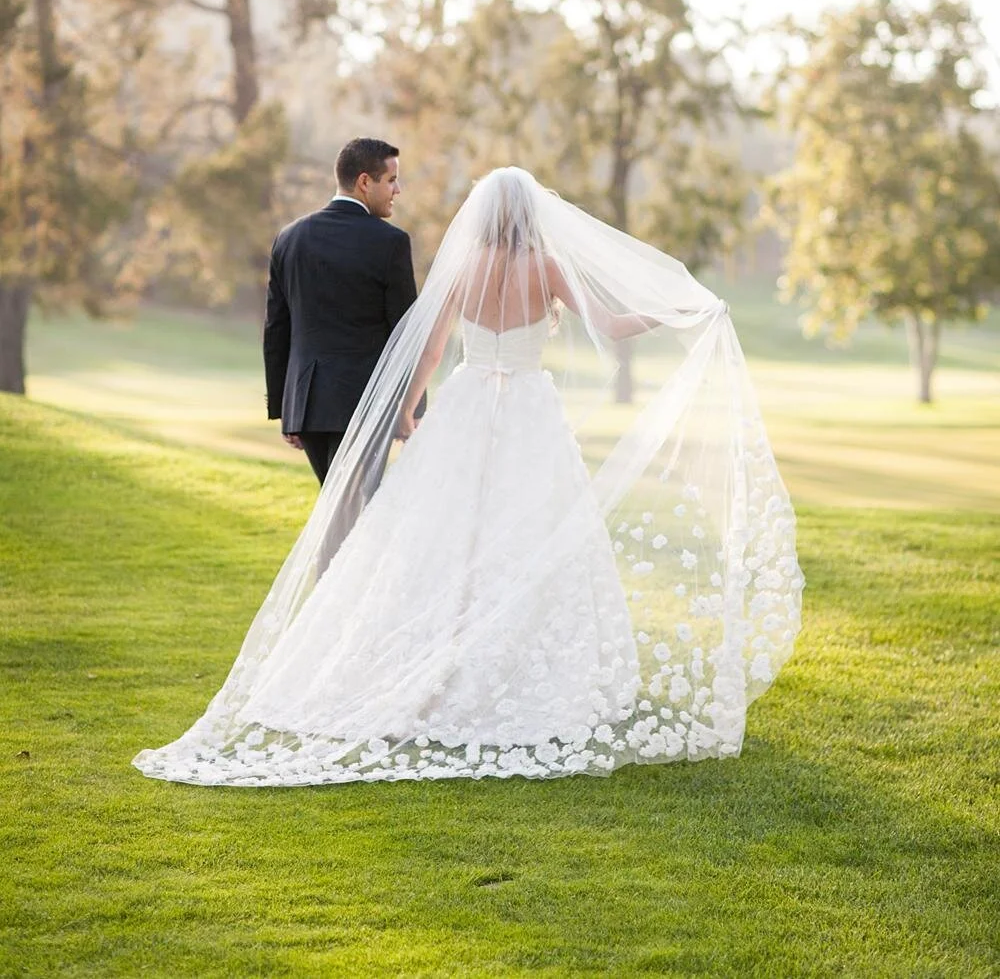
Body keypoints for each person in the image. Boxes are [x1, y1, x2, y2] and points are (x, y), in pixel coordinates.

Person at [135, 168, 803, 787]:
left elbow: (429, 348)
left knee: (440, 533)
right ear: (532, 213)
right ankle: (517, 666)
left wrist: (406, 408)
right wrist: (681, 312)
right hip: (530, 411)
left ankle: (424, 661)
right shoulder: (548, 265)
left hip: (466, 402)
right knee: (530, 530)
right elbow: (611, 325)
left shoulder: (463, 266)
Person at [263, 137, 419, 485]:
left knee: (338, 506)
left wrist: (285, 408)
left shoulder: (289, 237)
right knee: (355, 508)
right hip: (365, 406)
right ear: (365, 182)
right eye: (392, 180)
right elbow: (406, 332)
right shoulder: (391, 242)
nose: (397, 190)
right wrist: (411, 407)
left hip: (306, 406)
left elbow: (276, 330)